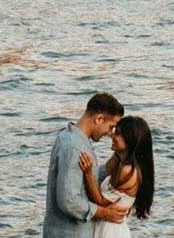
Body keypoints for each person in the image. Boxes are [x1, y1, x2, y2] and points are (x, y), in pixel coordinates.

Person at [44, 93, 129, 237]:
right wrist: (105, 213)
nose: (110, 134)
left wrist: (115, 159)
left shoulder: (72, 138)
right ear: (99, 119)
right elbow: (68, 201)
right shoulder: (74, 147)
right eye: (110, 127)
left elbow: (85, 179)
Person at [78, 115, 155, 237]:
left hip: (110, 231)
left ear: (130, 139)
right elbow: (106, 169)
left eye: (118, 133)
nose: (112, 136)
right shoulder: (120, 161)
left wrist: (88, 174)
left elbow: (100, 201)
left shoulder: (127, 170)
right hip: (106, 227)